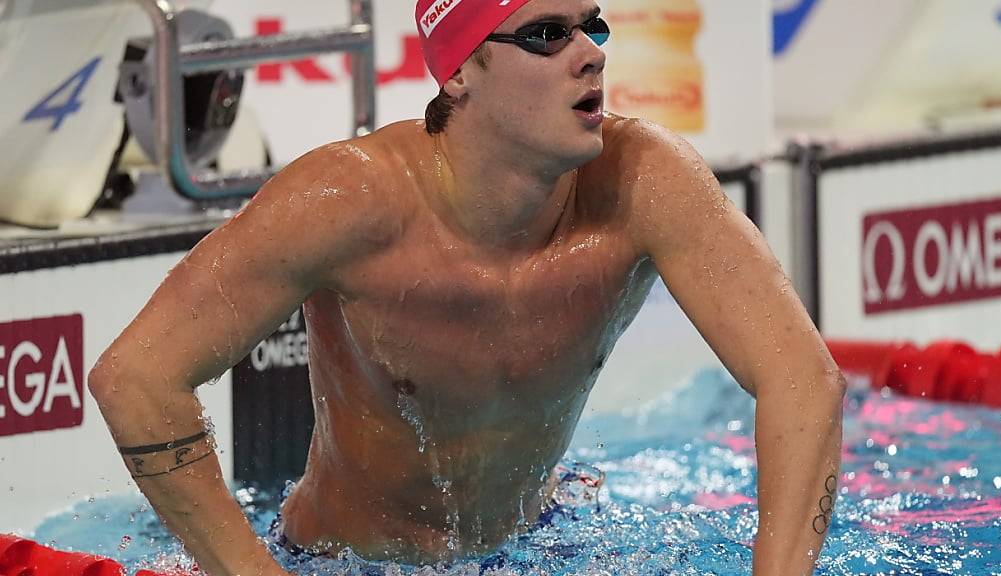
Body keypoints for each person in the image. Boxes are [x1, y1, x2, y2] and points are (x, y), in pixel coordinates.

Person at [88, 1, 846, 575]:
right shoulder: (348, 202)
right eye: (546, 35)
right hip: (349, 563)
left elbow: (803, 379)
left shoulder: (644, 182)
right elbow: (136, 378)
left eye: (593, 26)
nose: (590, 54)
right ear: (459, 72)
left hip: (542, 547)